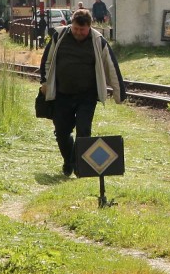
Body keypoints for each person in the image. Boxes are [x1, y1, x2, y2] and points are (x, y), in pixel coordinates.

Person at [38, 9, 125, 177]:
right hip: (62, 94)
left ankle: (81, 167)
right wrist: (45, 83)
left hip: (87, 96)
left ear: (89, 27)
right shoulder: (59, 36)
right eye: (76, 28)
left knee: (84, 131)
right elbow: (46, 61)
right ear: (72, 24)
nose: (78, 32)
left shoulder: (98, 41)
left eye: (82, 30)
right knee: (62, 132)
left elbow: (111, 67)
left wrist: (118, 93)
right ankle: (68, 161)